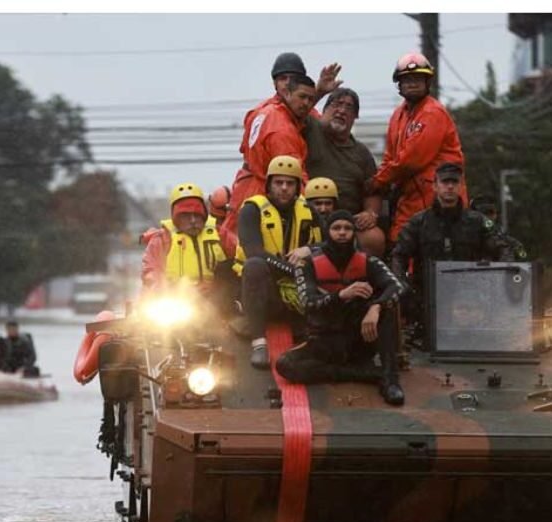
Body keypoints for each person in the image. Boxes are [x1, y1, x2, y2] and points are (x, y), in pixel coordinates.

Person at [276, 210, 405, 405]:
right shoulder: (307, 265)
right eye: (337, 228)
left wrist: (376, 306)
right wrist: (341, 295)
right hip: (324, 340)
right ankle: (363, 375)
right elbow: (307, 302)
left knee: (388, 308)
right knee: (285, 365)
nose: (342, 232)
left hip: (359, 339)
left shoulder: (369, 261)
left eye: (347, 228)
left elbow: (396, 286)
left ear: (354, 233)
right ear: (328, 232)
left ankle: (389, 380)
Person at [368, 53, 467, 243]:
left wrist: (378, 182)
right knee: (400, 243)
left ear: (427, 82)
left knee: (436, 251)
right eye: (407, 79)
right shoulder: (398, 115)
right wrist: (380, 181)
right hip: (409, 196)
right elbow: (390, 157)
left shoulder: (433, 112)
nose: (413, 83)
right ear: (399, 84)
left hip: (439, 197)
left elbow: (411, 160)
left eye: (418, 79)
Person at [234, 155, 322, 368]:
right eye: (278, 183)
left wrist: (308, 249)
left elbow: (330, 244)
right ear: (269, 185)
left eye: (290, 183)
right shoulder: (251, 210)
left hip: (297, 290)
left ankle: (314, 336)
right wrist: (294, 270)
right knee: (254, 265)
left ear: (298, 187)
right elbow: (253, 251)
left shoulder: (309, 211)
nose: (284, 188)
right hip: (261, 288)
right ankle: (259, 343)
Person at [219, 74, 319, 254]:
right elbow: (293, 175)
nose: (307, 104)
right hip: (263, 191)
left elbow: (243, 147)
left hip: (245, 185)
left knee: (235, 245)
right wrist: (314, 211)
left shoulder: (263, 110)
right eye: (302, 97)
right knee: (259, 252)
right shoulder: (282, 131)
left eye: (311, 99)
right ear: (287, 94)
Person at [390, 162, 515, 306]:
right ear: (435, 186)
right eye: (445, 182)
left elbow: (504, 248)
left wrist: (498, 280)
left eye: (454, 182)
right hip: (428, 300)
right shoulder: (418, 222)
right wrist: (401, 284)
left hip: (472, 299)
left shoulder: (477, 222)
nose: (450, 186)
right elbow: (399, 255)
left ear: (461, 186)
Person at [304, 87, 384, 250]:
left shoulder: (362, 153)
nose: (341, 111)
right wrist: (320, 90)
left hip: (347, 222)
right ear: (324, 110)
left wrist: (370, 213)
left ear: (355, 117)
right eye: (336, 104)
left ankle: (361, 275)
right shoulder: (310, 130)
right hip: (309, 216)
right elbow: (297, 111)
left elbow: (373, 190)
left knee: (374, 238)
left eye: (349, 108)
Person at [140, 182, 235, 313]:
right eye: (185, 216)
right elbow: (151, 271)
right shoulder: (162, 239)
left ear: (204, 215)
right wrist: (161, 290)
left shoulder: (221, 235)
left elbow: (241, 259)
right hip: (176, 305)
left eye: (197, 214)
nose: (192, 220)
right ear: (175, 218)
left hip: (218, 303)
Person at [470, 194, 528, 260]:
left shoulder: (498, 232)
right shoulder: (470, 230)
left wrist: (520, 254)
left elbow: (520, 251)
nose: (493, 216)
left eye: (492, 213)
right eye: (488, 213)